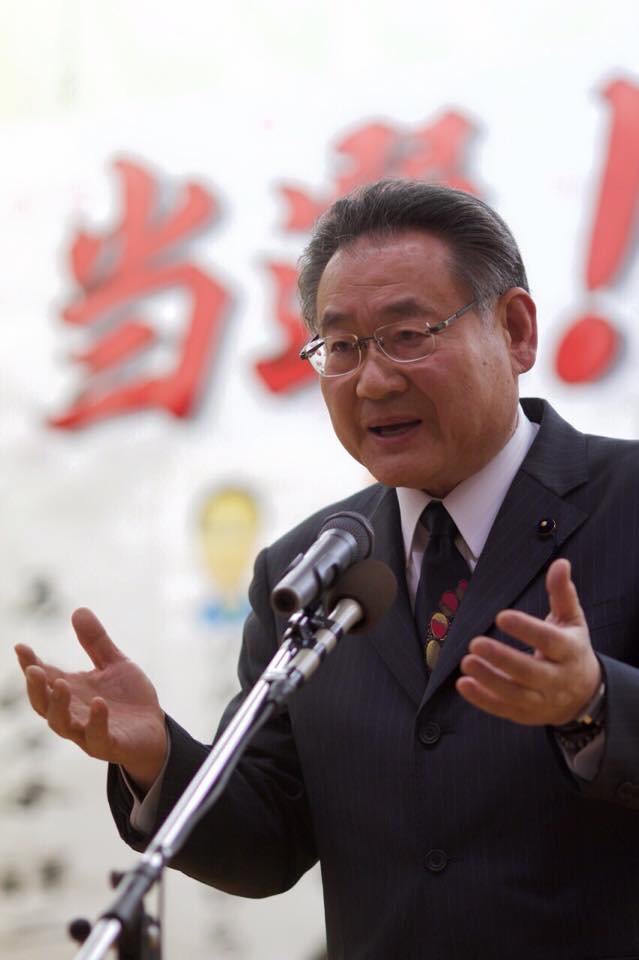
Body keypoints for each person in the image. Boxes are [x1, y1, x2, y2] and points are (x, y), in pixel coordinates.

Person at [15, 180, 639, 960]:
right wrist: (156, 758)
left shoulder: (625, 503)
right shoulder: (308, 568)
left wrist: (594, 705)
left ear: (514, 330)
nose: (372, 380)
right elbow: (268, 843)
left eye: (407, 334)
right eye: (340, 347)